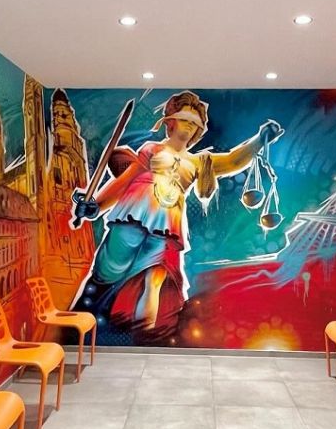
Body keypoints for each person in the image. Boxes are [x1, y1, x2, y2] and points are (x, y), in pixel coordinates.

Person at [72, 90, 284, 335]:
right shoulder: (152, 149)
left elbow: (233, 161)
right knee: (108, 272)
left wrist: (260, 140)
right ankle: (83, 320)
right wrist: (97, 205)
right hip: (133, 214)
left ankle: (144, 338)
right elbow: (126, 180)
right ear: (170, 121)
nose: (190, 125)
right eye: (185, 119)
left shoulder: (198, 162)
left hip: (167, 225)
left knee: (155, 280)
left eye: (196, 123)